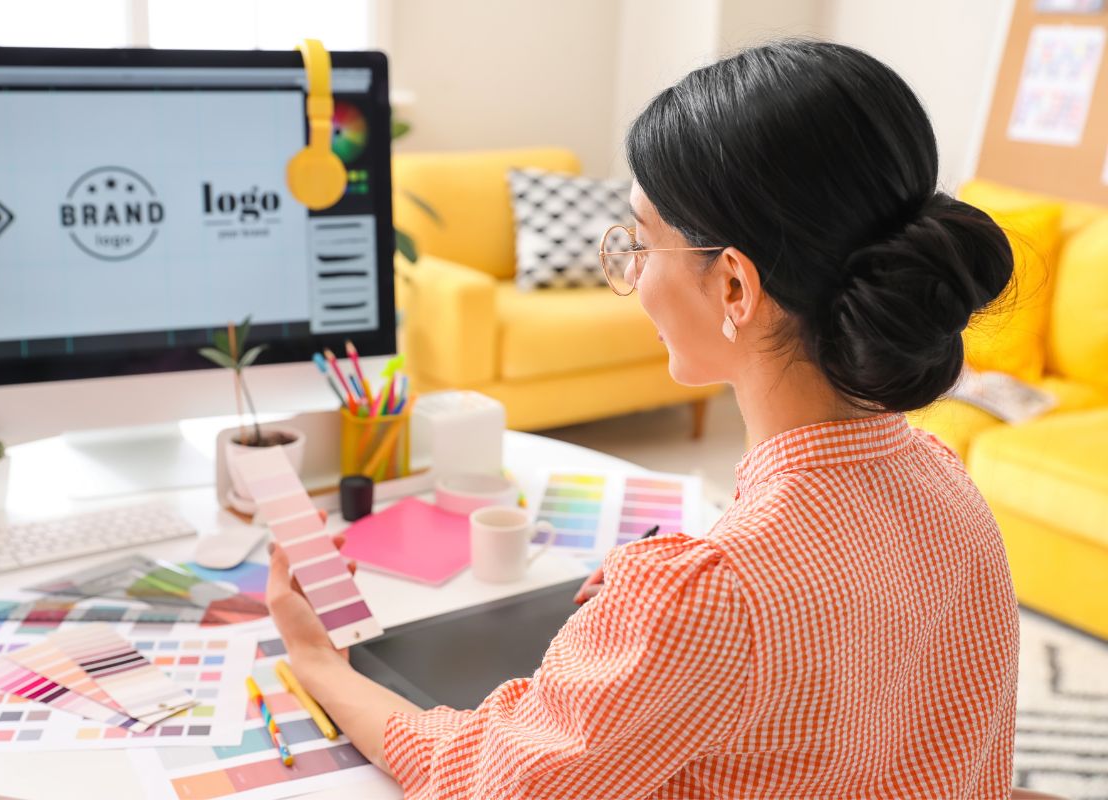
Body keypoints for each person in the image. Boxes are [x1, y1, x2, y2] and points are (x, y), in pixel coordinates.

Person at [267, 38, 1020, 798]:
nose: (629, 272)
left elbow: (484, 784)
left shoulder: (709, 601)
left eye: (641, 239)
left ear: (733, 287)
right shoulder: (949, 489)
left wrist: (322, 665)